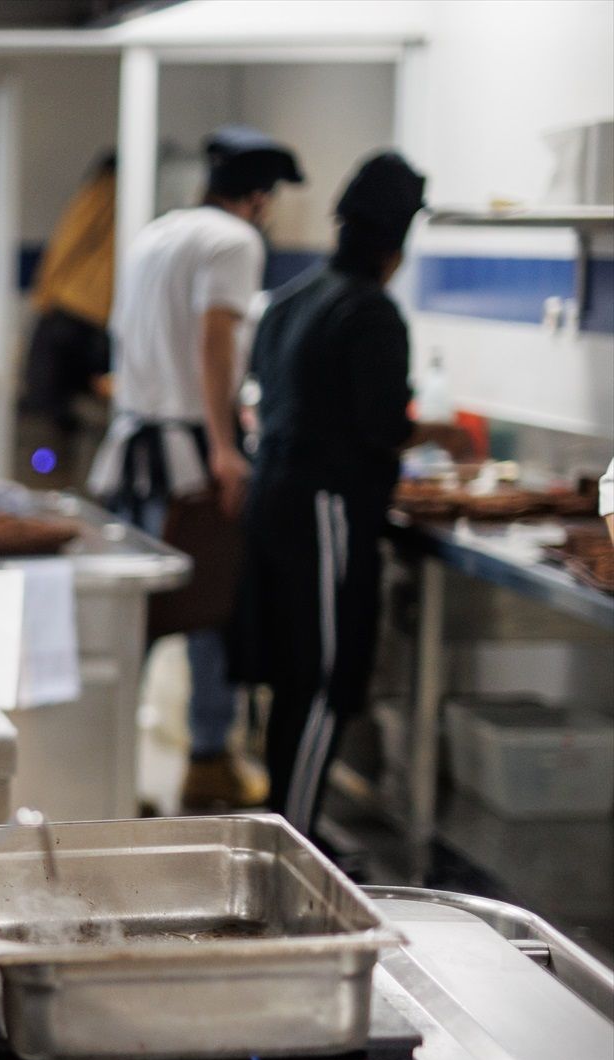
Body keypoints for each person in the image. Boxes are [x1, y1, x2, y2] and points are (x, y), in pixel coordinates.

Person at [86, 125, 303, 811]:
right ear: (260, 198)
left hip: (131, 450)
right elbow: (216, 340)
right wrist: (224, 446)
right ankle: (208, 762)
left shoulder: (157, 233)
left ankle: (109, 767)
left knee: (134, 617)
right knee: (210, 607)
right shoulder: (234, 242)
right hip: (185, 456)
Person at [229, 151, 431, 838]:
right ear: (395, 246)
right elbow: (381, 426)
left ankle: (285, 829)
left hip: (274, 497)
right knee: (325, 679)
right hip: (327, 511)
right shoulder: (371, 312)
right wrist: (441, 438)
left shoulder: (291, 300)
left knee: (290, 675)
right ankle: (296, 842)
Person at [19, 153, 114, 488]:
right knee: (51, 423)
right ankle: (54, 489)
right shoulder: (109, 194)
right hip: (79, 322)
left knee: (51, 418)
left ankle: (54, 487)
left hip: (68, 316)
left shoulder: (97, 195)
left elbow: (63, 248)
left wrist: (43, 299)